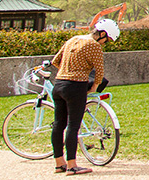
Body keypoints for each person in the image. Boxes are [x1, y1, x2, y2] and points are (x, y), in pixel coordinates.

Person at [50, 18, 119, 175]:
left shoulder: (73, 39)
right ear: (102, 34)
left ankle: (59, 163)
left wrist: (68, 69)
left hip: (59, 84)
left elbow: (56, 61)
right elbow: (99, 72)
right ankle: (72, 166)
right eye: (106, 40)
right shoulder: (94, 45)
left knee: (58, 124)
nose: (104, 43)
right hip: (75, 86)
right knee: (73, 126)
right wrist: (93, 86)